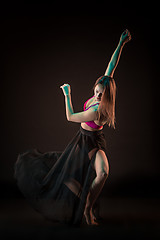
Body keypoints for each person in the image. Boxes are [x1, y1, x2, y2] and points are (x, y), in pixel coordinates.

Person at [14, 29, 131, 226]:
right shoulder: (101, 90)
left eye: (101, 95)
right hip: (83, 141)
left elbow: (70, 117)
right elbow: (111, 67)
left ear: (108, 95)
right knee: (68, 177)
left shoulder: (98, 112)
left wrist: (67, 94)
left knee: (102, 173)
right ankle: (84, 206)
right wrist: (121, 43)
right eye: (96, 91)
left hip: (95, 141)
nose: (96, 96)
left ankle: (87, 207)